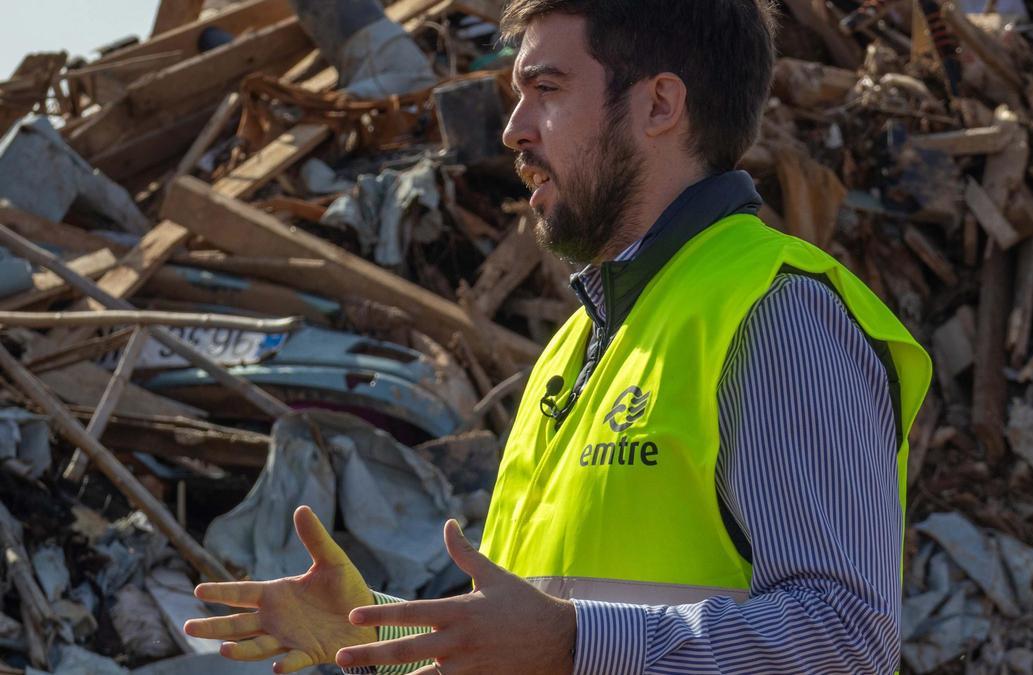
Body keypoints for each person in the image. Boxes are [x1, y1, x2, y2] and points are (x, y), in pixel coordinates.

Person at [183, 1, 932, 673]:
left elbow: (846, 641)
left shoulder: (777, 315)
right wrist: (376, 631)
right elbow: (535, 629)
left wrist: (575, 642)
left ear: (660, 104)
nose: (513, 129)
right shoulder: (579, 344)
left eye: (546, 90)